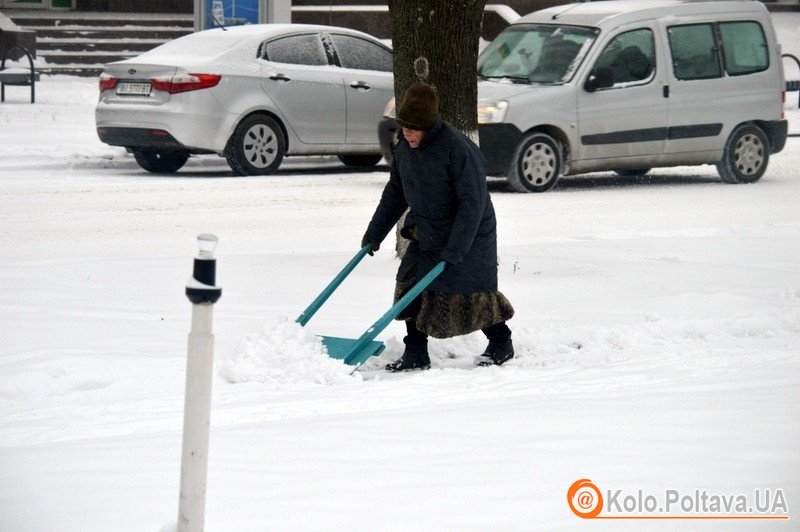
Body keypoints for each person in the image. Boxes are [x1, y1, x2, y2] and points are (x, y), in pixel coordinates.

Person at [361, 82, 515, 372]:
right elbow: (395, 193)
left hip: (468, 232)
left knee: (472, 294)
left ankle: (501, 343)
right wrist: (374, 234)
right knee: (410, 287)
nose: (407, 133)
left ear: (429, 126)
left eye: (414, 128)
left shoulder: (458, 150)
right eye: (403, 126)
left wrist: (455, 249)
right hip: (428, 230)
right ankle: (416, 353)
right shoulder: (405, 149)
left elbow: (472, 204)